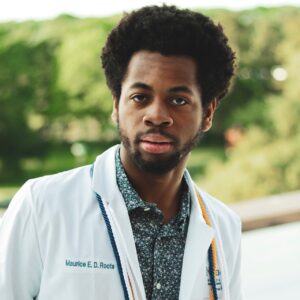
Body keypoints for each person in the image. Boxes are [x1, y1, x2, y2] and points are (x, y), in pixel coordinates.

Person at [0, 5, 242, 300]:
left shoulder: (224, 226)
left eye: (178, 100)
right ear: (116, 105)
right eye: (140, 97)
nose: (156, 115)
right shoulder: (42, 206)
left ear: (208, 113)